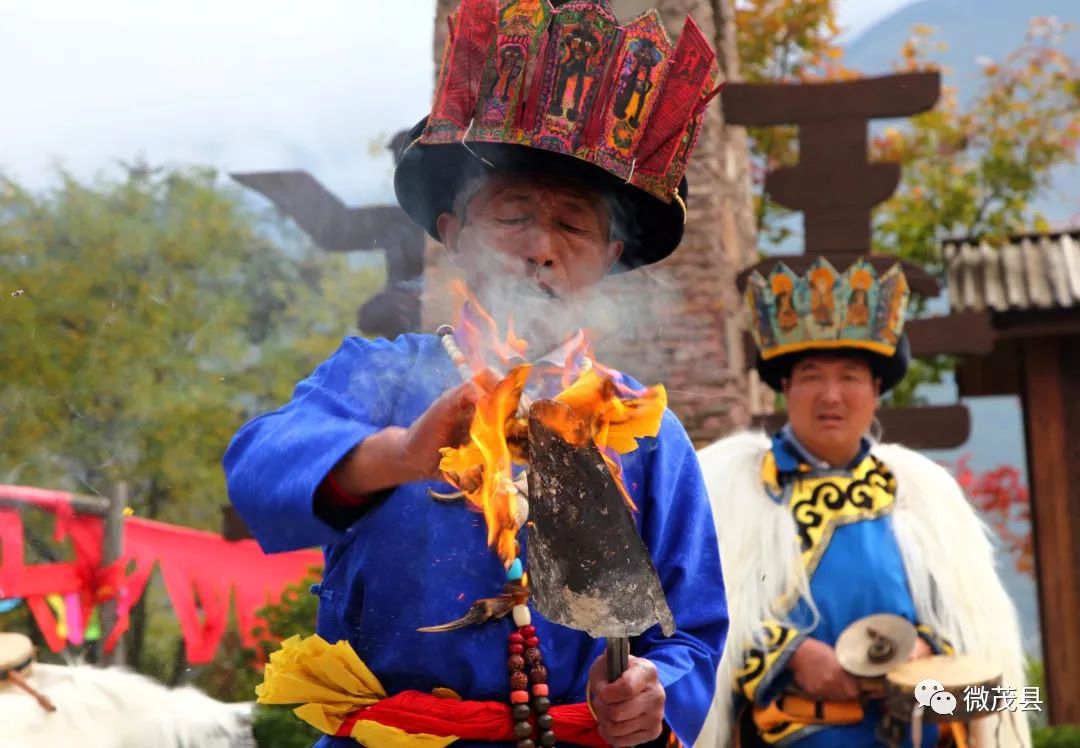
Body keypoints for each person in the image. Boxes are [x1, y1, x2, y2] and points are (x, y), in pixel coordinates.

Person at [224, 1, 729, 746]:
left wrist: (656, 694)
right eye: (513, 215)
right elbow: (256, 469)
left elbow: (690, 636)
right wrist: (394, 456)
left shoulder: (644, 429)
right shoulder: (383, 379)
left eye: (573, 226)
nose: (540, 249)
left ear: (610, 259)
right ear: (455, 238)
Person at [695, 258, 1030, 747]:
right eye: (811, 375)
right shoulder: (729, 488)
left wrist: (927, 651)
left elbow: (974, 632)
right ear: (785, 386)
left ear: (876, 390)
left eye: (850, 376)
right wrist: (790, 656)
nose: (831, 395)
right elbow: (697, 625)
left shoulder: (924, 496)